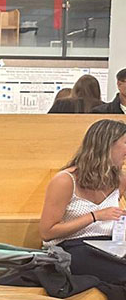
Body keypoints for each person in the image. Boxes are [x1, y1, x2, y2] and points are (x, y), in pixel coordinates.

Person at [39, 118, 126, 284]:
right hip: (72, 248)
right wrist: (94, 216)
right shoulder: (65, 180)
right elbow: (47, 232)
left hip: (111, 245)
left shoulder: (120, 179)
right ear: (107, 145)